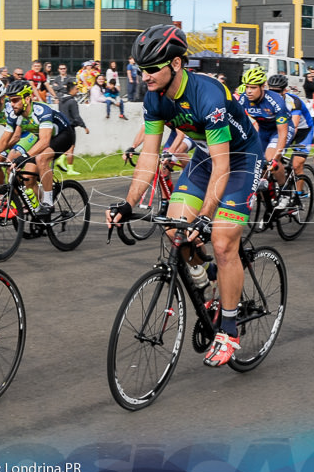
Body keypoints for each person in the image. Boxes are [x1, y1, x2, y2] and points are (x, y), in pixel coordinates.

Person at [107, 24, 263, 367]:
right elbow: (149, 156)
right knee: (175, 228)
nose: (144, 76)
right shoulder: (154, 97)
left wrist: (207, 216)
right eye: (139, 69)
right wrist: (128, 202)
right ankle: (203, 277)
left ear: (176, 64)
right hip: (205, 157)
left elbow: (223, 166)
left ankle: (229, 329)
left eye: (151, 69)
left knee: (222, 242)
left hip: (238, 161)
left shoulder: (208, 95)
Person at [0, 79, 74, 219]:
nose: (11, 104)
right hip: (45, 138)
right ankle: (37, 212)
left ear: (27, 98)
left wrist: (24, 156)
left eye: (15, 100)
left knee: (41, 158)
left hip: (63, 135)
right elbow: (4, 140)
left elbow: (44, 141)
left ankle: (48, 202)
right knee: (28, 177)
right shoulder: (16, 115)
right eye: (10, 100)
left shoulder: (41, 110)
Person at [237, 68, 291, 199]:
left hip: (280, 130)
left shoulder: (276, 101)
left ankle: (285, 191)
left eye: (253, 87)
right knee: (257, 164)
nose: (248, 91)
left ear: (263, 87)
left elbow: (282, 134)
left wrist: (276, 158)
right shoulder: (243, 99)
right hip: (264, 131)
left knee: (270, 159)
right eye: (247, 87)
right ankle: (269, 201)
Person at [54, 82, 88, 175]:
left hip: (62, 127)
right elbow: (76, 116)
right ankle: (70, 169)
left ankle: (61, 160)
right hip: (70, 127)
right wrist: (84, 126)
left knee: (65, 146)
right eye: (76, 89)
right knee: (71, 148)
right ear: (71, 90)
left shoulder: (61, 101)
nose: (77, 91)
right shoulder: (72, 101)